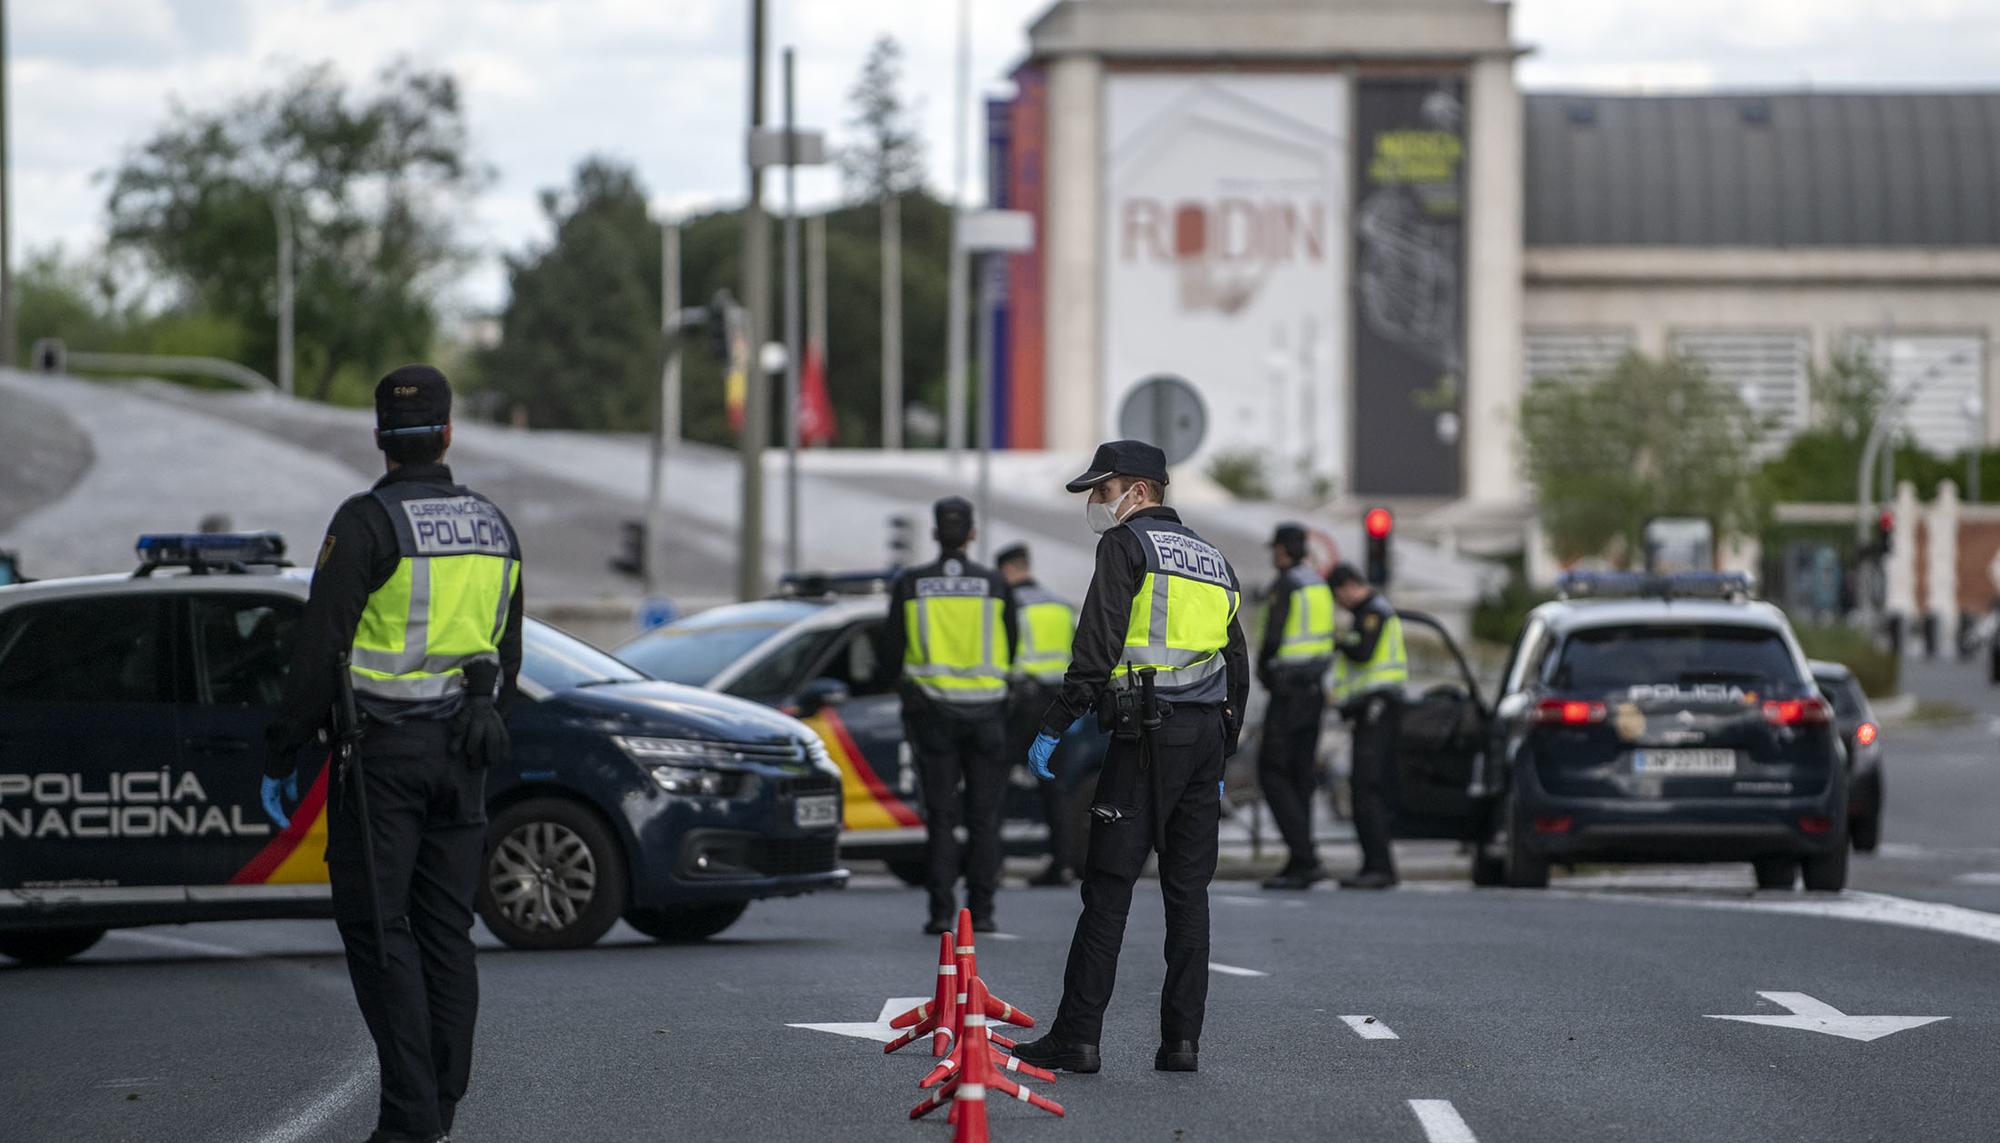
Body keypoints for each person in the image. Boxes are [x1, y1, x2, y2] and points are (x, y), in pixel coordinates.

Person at [263, 365, 524, 1143]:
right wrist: (481, 714)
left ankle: (411, 1118)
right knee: (446, 932)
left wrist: (283, 742)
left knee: (380, 932)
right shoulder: (494, 527)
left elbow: (320, 649)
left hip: (382, 759)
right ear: (447, 433)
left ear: (381, 437)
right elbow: (508, 652)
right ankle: (438, 1103)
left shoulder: (365, 524)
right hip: (465, 755)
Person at [1013, 440, 1248, 1076]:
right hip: (1204, 738)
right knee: (1188, 894)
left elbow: (1097, 644)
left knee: (1109, 887)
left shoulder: (1126, 545)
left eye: (1103, 488)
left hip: (1145, 736)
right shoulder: (1213, 558)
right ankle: (1181, 1044)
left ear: (1139, 491)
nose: (1096, 500)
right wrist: (1223, 752)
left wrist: (1055, 723)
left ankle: (1078, 1038)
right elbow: (1236, 661)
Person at [875, 497, 1019, 935]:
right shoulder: (995, 584)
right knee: (984, 817)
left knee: (940, 817)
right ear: (972, 534)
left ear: (936, 534)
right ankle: (983, 912)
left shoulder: (911, 582)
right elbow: (1012, 645)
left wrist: (905, 687)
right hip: (987, 713)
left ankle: (941, 913)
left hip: (932, 713)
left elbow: (890, 652)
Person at [1256, 523, 1336, 890]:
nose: (1273, 554)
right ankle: (1299, 860)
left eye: (1275, 548)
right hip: (1314, 691)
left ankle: (1305, 856)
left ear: (1283, 549)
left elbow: (1274, 636)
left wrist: (1263, 671)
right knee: (1300, 776)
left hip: (1288, 691)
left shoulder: (1286, 584)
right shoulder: (1318, 583)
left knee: (1273, 772)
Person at [996, 542, 1080, 888]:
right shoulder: (1060, 605)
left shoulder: (1010, 605)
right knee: (1054, 786)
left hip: (1019, 704)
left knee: (996, 782)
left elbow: (1000, 653)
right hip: (1056, 705)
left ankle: (991, 864)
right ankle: (1062, 864)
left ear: (1008, 569)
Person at [1328, 562, 1407, 890]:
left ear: (1347, 586)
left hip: (1378, 708)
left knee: (1367, 788)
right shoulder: (1369, 612)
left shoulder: (1374, 612)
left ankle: (1379, 867)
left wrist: (1337, 641)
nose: (1340, 604)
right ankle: (1373, 864)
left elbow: (1363, 652)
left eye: (1338, 597)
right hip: (1370, 710)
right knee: (1364, 788)